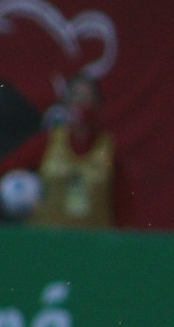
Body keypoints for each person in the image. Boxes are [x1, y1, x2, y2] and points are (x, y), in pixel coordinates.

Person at [29, 73, 114, 229]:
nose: (81, 105)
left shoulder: (109, 149)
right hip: (49, 241)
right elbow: (0, 174)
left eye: (87, 99)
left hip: (93, 243)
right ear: (66, 104)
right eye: (77, 98)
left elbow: (123, 203)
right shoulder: (48, 143)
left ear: (98, 105)